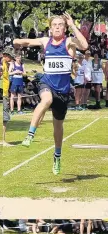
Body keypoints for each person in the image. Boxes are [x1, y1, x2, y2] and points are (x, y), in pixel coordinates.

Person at [14, 13, 88, 175]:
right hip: (47, 83)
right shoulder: (45, 41)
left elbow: (84, 45)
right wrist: (16, 41)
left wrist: (73, 25)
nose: (57, 27)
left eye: (60, 24)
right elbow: (27, 41)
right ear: (50, 27)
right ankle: (30, 134)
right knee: (46, 99)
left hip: (63, 92)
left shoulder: (69, 42)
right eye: (54, 24)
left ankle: (57, 155)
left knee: (58, 127)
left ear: (65, 27)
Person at [2, 47, 15, 146]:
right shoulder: (2, 65)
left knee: (4, 118)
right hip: (3, 94)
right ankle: (2, 140)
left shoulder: (5, 64)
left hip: (5, 93)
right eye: (10, 57)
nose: (11, 59)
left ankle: (2, 139)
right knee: (5, 118)